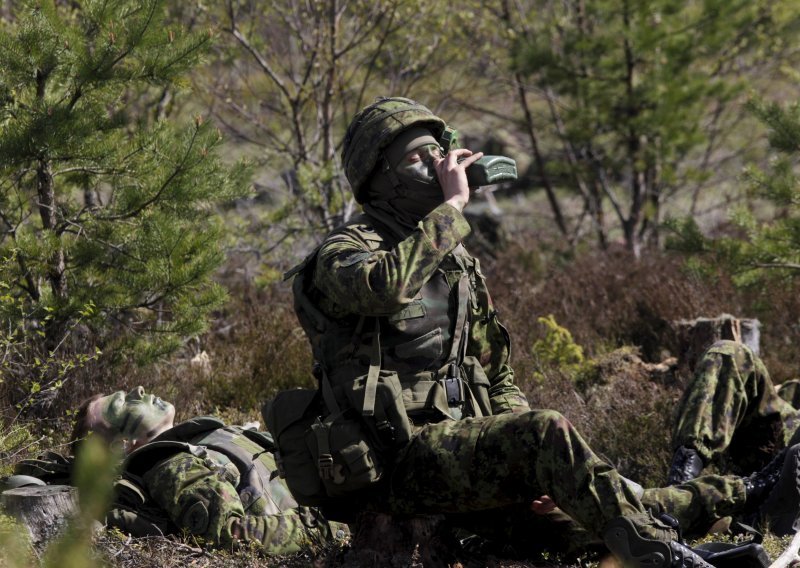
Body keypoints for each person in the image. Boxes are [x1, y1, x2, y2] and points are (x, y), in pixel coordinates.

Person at [277, 96, 721, 568]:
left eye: (436, 152)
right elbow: (385, 290)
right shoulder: (343, 251)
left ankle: (726, 506)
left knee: (579, 525)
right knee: (546, 430)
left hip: (459, 453)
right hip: (392, 463)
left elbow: (496, 373)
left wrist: (533, 470)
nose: (436, 164)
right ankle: (671, 559)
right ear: (379, 179)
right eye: (415, 158)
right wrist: (453, 206)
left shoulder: (454, 258)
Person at [14, 386, 346, 554]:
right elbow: (234, 535)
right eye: (122, 403)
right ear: (122, 446)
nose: (139, 391)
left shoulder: (194, 443)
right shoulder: (170, 466)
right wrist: (336, 526)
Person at [668, 339, 800, 485]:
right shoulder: (790, 393)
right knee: (731, 352)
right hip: (764, 463)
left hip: (787, 478)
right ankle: (679, 487)